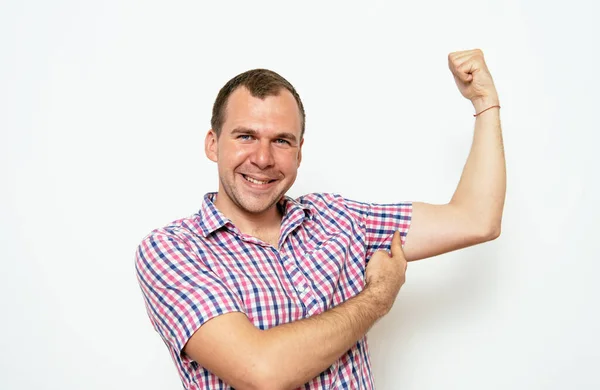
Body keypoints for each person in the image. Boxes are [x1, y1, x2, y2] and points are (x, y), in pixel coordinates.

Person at [135, 49, 506, 390]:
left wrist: (485, 103)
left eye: (282, 141)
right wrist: (377, 297)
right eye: (246, 136)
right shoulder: (171, 250)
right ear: (213, 144)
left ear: (299, 152)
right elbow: (262, 371)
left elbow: (475, 219)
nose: (263, 158)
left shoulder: (337, 218)